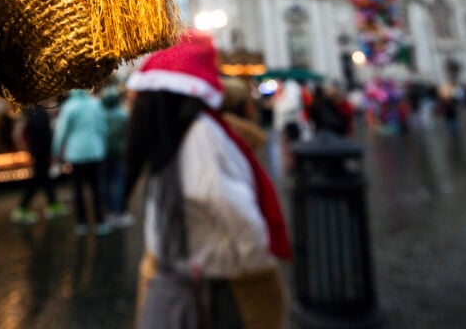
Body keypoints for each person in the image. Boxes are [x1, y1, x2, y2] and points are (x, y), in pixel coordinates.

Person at [127, 32, 291, 329]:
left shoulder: (174, 134)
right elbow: (225, 203)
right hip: (216, 277)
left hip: (187, 269)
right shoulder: (198, 133)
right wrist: (258, 264)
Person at [52, 88, 111, 235]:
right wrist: (104, 145)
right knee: (97, 188)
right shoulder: (95, 104)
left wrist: (55, 152)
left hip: (75, 153)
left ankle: (82, 223)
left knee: (77, 189)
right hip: (95, 151)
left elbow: (61, 132)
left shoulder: (69, 107)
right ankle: (100, 222)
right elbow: (102, 127)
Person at [11, 102, 67, 223]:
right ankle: (22, 208)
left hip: (37, 151)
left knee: (44, 179)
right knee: (37, 180)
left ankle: (53, 204)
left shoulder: (33, 111)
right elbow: (43, 134)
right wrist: (50, 151)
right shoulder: (40, 113)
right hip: (41, 152)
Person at [100, 85, 133, 226]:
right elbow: (129, 133)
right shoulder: (122, 115)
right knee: (118, 181)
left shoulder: (100, 115)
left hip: (104, 152)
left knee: (106, 182)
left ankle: (108, 211)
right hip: (119, 152)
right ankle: (118, 211)